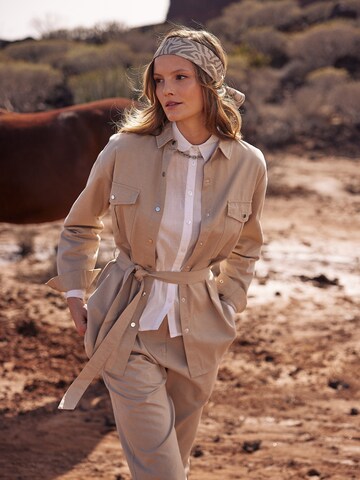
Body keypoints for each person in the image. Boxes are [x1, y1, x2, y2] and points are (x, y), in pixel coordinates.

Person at [47, 26, 267, 480]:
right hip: (126, 322)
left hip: (201, 329)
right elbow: (80, 225)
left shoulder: (249, 164)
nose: (167, 90)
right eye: (159, 80)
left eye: (180, 77)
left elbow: (246, 249)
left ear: (210, 82)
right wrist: (74, 292)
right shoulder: (125, 149)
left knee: (175, 463)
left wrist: (229, 305)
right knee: (162, 472)